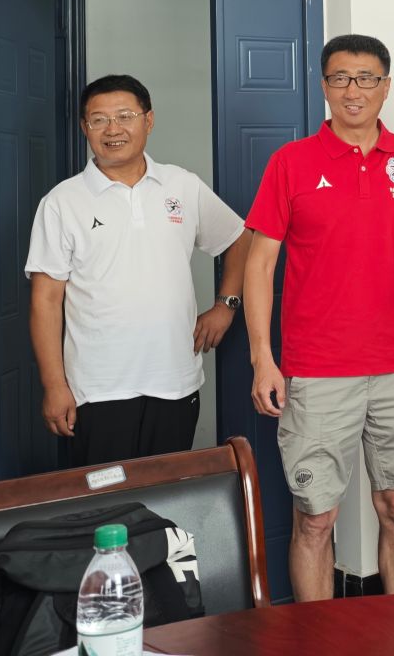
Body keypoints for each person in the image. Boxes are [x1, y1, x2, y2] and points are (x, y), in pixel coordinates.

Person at [243, 34, 394, 601]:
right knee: (315, 516)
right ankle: (315, 639)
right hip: (317, 370)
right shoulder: (291, 163)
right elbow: (259, 264)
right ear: (323, 86)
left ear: (386, 86)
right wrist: (263, 358)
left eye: (366, 78)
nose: (352, 90)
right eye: (339, 78)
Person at [26, 74, 247, 467]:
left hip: (175, 381)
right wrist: (54, 385)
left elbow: (239, 238)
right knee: (106, 499)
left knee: (168, 493)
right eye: (99, 120)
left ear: (149, 120)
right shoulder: (62, 203)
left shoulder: (182, 185)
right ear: (85, 128)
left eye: (125, 116)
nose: (113, 129)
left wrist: (225, 306)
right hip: (97, 390)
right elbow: (45, 301)